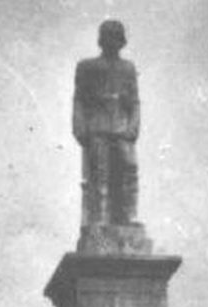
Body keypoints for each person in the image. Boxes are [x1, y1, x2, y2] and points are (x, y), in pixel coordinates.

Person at [73, 20, 139, 226]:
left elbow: (134, 101)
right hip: (97, 128)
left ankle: (127, 217)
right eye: (109, 36)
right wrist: (79, 127)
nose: (113, 41)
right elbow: (79, 99)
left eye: (117, 37)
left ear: (122, 41)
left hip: (121, 129)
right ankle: (99, 218)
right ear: (101, 40)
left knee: (128, 172)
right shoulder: (87, 67)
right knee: (99, 175)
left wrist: (133, 127)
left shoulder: (128, 68)